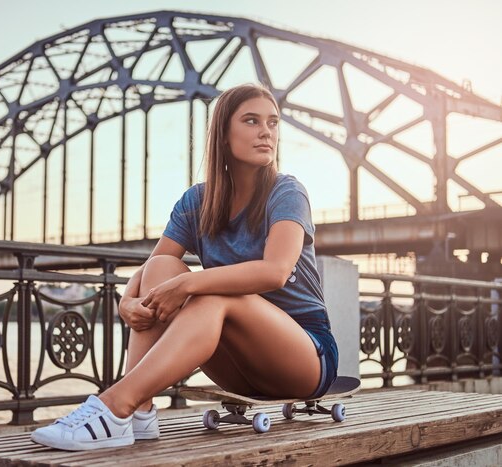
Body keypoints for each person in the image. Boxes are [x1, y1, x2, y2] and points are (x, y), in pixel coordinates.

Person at [31, 83, 339, 451]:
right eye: (252, 121)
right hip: (239, 370)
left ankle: (115, 405)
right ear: (224, 135)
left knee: (211, 296)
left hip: (305, 357)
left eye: (272, 123)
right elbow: (151, 268)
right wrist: (126, 301)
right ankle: (140, 412)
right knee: (164, 267)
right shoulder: (197, 201)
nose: (266, 132)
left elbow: (274, 271)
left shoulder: (286, 191)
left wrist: (190, 286)